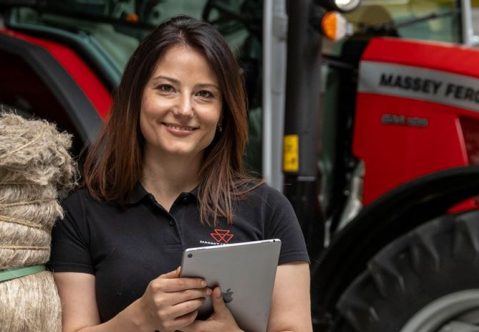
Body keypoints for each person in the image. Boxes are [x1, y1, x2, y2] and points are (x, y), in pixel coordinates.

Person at [48, 16, 311, 332]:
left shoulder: (269, 211)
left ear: (223, 112)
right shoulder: (81, 213)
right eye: (166, 88)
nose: (185, 109)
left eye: (204, 94)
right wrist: (139, 319)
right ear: (135, 98)